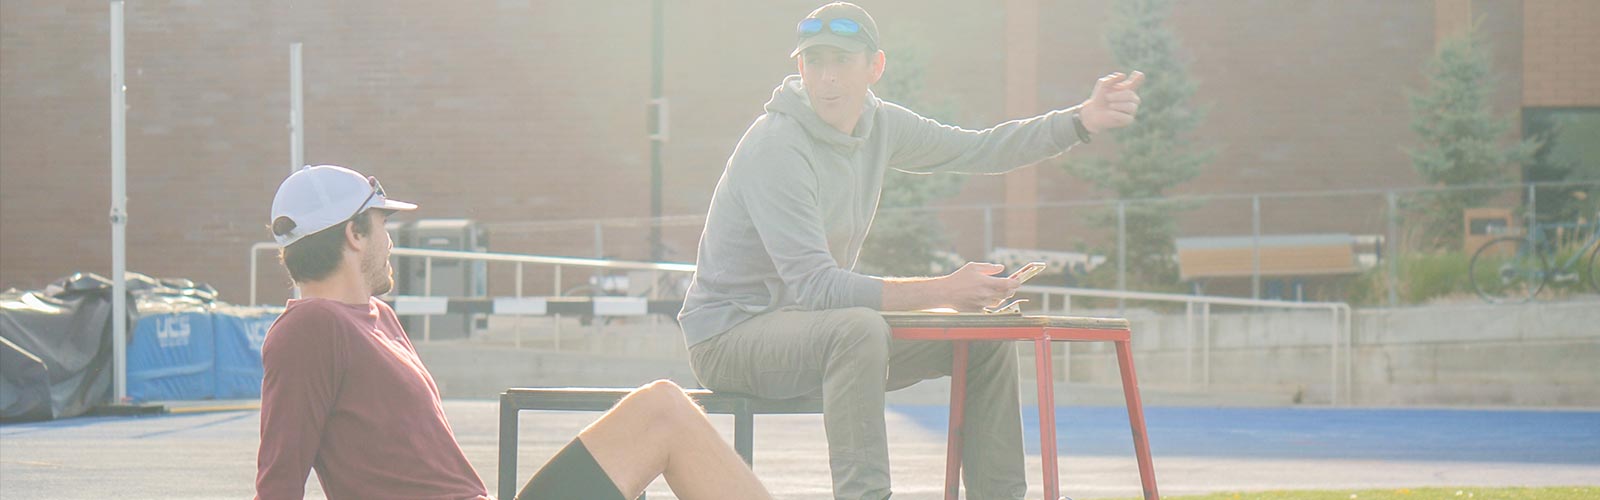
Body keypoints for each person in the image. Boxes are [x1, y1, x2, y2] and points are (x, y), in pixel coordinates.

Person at [677, 3, 1144, 499]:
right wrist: (943, 290)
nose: (827, 77)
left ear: (875, 66)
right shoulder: (777, 147)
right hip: (730, 339)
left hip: (811, 332)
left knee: (983, 340)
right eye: (815, 62)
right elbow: (816, 287)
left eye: (842, 60)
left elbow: (979, 149)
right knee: (857, 329)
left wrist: (1081, 120)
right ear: (800, 68)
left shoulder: (881, 126)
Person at [255, 165, 771, 500]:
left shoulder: (377, 317)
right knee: (662, 410)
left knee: (665, 409)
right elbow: (278, 482)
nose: (391, 240)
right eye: (384, 225)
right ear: (354, 233)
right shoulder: (309, 328)